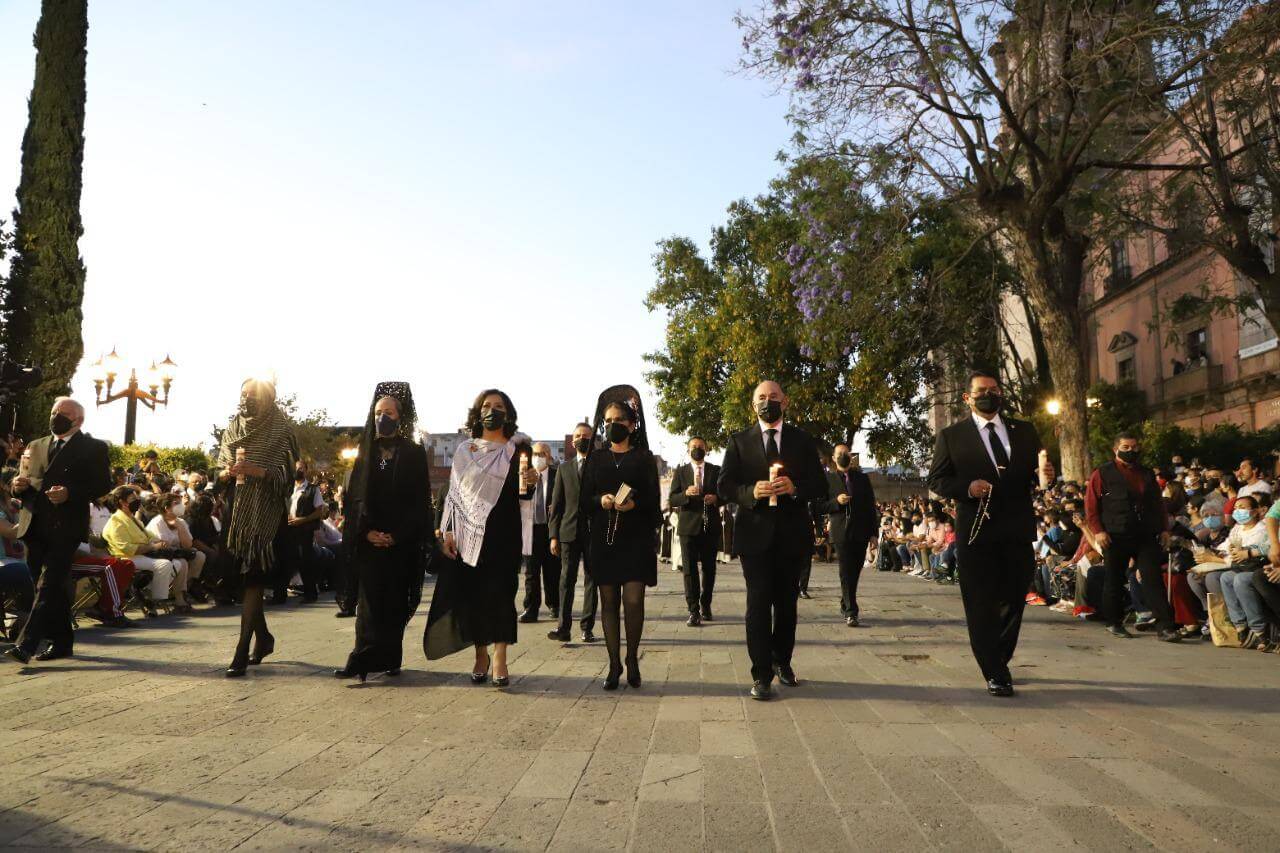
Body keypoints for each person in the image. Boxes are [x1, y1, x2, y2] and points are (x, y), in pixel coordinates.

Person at [926, 371, 1053, 697]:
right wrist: (966, 487)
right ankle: (994, 670)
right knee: (980, 603)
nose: (989, 395)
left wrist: (1046, 475)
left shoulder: (1023, 431)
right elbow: (937, 480)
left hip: (1017, 528)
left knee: (1013, 599)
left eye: (994, 390)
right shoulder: (952, 436)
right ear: (967, 397)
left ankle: (999, 656)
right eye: (981, 391)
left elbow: (1039, 475)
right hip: (976, 532)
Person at [718, 380, 827, 701]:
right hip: (754, 536)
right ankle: (761, 673)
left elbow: (820, 484)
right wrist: (750, 492)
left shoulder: (802, 441)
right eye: (762, 398)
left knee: (786, 604)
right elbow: (725, 485)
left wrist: (795, 487)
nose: (768, 402)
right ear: (753, 406)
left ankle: (783, 661)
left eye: (774, 397)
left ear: (786, 401)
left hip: (792, 535)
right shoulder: (739, 442)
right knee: (758, 604)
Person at [425, 389, 530, 688]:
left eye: (499, 406)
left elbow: (523, 493)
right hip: (470, 534)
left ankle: (500, 658)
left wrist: (532, 485)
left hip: (504, 533)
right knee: (475, 596)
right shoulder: (464, 451)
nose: (492, 410)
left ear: (507, 414)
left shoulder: (517, 449)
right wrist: (446, 532)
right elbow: (454, 497)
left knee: (501, 594)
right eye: (487, 405)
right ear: (477, 412)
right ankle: (480, 654)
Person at [4, 398, 111, 666]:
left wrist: (71, 493)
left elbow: (102, 484)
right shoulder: (36, 445)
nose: (56, 417)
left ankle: (26, 644)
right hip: (33, 524)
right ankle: (62, 642)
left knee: (48, 584)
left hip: (65, 527)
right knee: (52, 589)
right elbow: (25, 480)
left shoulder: (93, 447)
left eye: (63, 413)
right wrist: (18, 485)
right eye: (54, 412)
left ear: (78, 420)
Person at [336, 383, 432, 681]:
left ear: (400, 416)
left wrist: (397, 535)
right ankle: (361, 661)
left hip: (401, 542)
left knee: (394, 603)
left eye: (389, 412)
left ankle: (391, 657)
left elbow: (419, 501)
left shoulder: (414, 453)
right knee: (369, 605)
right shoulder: (365, 453)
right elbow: (355, 501)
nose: (383, 417)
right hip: (369, 541)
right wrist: (366, 533)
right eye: (378, 412)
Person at [579, 386, 661, 690]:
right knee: (609, 602)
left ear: (631, 424)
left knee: (634, 599)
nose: (614, 424)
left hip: (636, 538)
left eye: (620, 419)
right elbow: (584, 500)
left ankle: (632, 658)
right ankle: (613, 664)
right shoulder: (596, 459)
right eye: (609, 419)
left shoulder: (643, 458)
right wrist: (601, 500)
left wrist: (635, 504)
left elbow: (654, 501)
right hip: (604, 539)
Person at [217, 379, 299, 677]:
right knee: (245, 580)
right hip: (236, 513)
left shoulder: (282, 429)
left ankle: (242, 649)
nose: (247, 399)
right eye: (243, 394)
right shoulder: (233, 427)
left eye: (253, 395)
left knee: (254, 578)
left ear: (267, 398)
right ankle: (263, 638)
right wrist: (228, 472)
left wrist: (258, 471)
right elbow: (219, 468)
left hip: (266, 516)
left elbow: (287, 476)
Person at [1084, 434, 1182, 643]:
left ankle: (1165, 626)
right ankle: (1114, 622)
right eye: (1126, 447)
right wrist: (1098, 531)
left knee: (1152, 578)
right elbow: (1092, 506)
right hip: (1115, 534)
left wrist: (1164, 530)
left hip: (1145, 533)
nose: (1131, 450)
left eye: (1135, 446)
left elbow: (1158, 505)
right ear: (1115, 449)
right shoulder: (1102, 473)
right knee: (1114, 579)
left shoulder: (1146, 473)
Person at [547, 422, 598, 643]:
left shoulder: (600, 466)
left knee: (591, 580)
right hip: (568, 532)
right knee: (566, 580)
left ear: (593, 439)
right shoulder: (564, 469)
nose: (581, 438)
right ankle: (563, 628)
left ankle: (587, 627)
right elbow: (556, 504)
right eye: (578, 435)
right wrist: (553, 535)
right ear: (572, 441)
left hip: (594, 532)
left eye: (585, 435)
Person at [818, 445, 878, 627]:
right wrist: (836, 502)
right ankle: (852, 611)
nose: (843, 456)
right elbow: (819, 506)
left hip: (860, 531)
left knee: (855, 571)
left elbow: (870, 507)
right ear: (834, 458)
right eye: (839, 454)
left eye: (846, 453)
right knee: (845, 570)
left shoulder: (862, 478)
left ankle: (845, 602)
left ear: (851, 457)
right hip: (841, 531)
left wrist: (873, 534)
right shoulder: (827, 479)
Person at [667, 436, 721, 626]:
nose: (696, 449)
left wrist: (716, 498)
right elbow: (672, 499)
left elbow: (726, 493)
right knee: (689, 570)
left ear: (706, 449)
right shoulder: (681, 472)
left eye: (700, 447)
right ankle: (693, 610)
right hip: (688, 527)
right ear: (687, 450)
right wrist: (685, 495)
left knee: (709, 569)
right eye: (693, 447)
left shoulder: (716, 470)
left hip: (710, 526)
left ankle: (706, 604)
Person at [275, 460, 327, 604]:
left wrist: (303, 519)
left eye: (301, 469)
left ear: (306, 471)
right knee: (285, 562)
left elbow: (319, 511)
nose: (298, 471)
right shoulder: (288, 488)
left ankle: (310, 594)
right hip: (287, 530)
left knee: (305, 562)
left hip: (304, 530)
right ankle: (279, 596)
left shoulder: (312, 489)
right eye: (296, 468)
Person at [145, 492, 205, 614]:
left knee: (199, 556)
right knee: (182, 562)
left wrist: (180, 527)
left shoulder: (181, 522)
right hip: (160, 555)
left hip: (177, 554)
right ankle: (179, 599)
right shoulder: (157, 522)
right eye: (176, 503)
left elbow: (188, 545)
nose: (180, 505)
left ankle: (182, 589)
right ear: (167, 508)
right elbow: (163, 546)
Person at [518, 442, 558, 623]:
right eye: (535, 453)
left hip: (550, 530)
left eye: (543, 453)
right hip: (530, 529)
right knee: (531, 572)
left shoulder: (558, 476)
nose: (539, 457)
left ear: (549, 457)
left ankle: (554, 604)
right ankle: (531, 608)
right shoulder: (522, 476)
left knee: (552, 570)